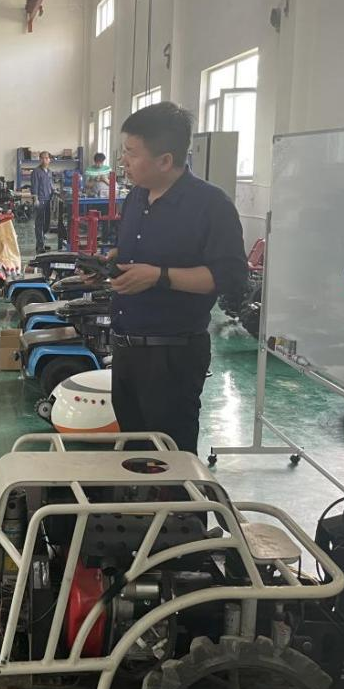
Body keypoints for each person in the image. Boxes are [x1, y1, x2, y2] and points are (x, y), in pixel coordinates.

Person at [97, 102, 247, 454]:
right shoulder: (136, 198)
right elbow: (142, 254)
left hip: (172, 356)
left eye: (132, 153)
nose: (124, 161)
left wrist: (159, 277)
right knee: (134, 453)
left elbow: (229, 276)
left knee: (170, 457)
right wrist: (114, 262)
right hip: (126, 349)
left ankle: (181, 494)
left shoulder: (211, 205)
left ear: (165, 160)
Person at [31, 151, 54, 253]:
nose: (44, 160)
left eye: (46, 158)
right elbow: (34, 186)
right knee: (39, 223)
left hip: (48, 199)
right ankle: (40, 245)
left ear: (49, 160)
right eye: (42, 158)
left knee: (47, 223)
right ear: (40, 160)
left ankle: (42, 242)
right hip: (40, 200)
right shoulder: (36, 172)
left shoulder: (49, 172)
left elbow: (50, 185)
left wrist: (55, 191)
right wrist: (35, 199)